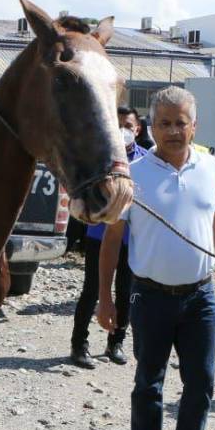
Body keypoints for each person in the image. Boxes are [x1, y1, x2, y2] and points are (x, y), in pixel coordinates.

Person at [96, 86, 215, 430]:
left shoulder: (212, 167)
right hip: (150, 297)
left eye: (181, 123)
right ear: (151, 127)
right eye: (165, 123)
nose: (173, 131)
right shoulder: (133, 174)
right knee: (149, 380)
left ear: (194, 125)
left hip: (201, 297)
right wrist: (105, 298)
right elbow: (112, 239)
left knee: (201, 381)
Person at [71, 106, 147, 368]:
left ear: (138, 129)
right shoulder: (98, 157)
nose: (123, 131)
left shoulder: (146, 161)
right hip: (100, 235)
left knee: (126, 291)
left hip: (131, 238)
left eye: (128, 126)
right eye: (117, 125)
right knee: (92, 289)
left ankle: (116, 342)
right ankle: (78, 344)